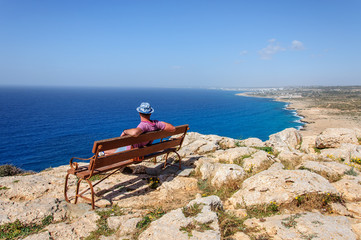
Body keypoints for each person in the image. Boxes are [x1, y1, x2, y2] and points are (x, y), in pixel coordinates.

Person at [103, 102, 175, 155]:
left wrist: (125, 131)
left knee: (105, 152)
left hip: (133, 152)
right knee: (113, 150)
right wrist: (159, 123)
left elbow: (135, 133)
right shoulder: (156, 124)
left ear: (139, 113)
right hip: (144, 150)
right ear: (150, 113)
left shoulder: (143, 125)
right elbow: (172, 128)